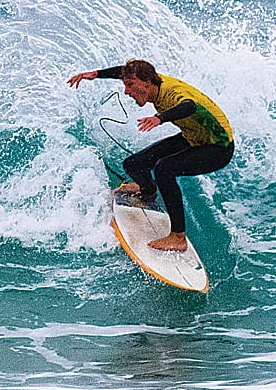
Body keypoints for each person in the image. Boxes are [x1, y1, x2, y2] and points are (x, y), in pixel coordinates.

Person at [66, 58, 234, 252]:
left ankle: (178, 237)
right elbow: (123, 70)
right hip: (194, 137)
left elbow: (189, 106)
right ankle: (147, 191)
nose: (126, 91)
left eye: (130, 85)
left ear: (147, 82)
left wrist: (159, 118)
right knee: (134, 164)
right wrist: (96, 74)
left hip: (218, 146)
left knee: (164, 169)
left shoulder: (171, 93)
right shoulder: (153, 80)